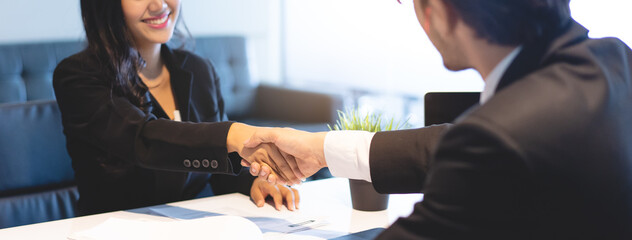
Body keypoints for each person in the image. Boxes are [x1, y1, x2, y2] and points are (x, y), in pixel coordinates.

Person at [242, 0, 632, 238]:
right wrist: (320, 149)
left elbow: (484, 149)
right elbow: (459, 144)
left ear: (439, 13)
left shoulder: (495, 140)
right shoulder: (616, 61)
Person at [52, 0, 298, 216]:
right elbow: (143, 139)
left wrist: (252, 184)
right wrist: (232, 135)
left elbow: (220, 170)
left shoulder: (200, 70)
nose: (159, 5)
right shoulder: (78, 76)